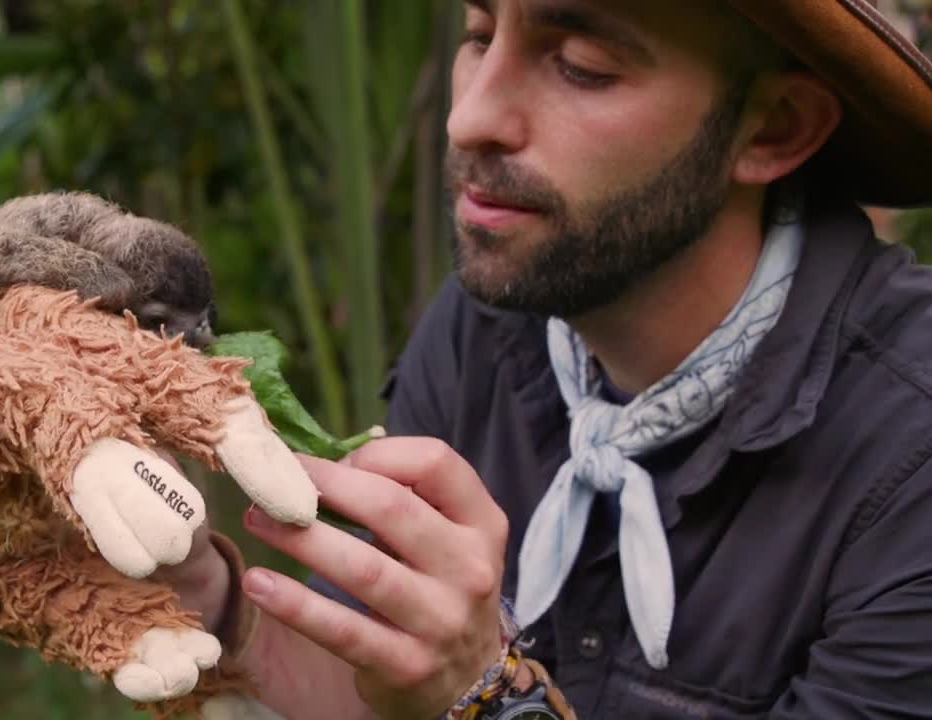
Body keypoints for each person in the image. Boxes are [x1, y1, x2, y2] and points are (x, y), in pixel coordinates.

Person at [156, 1, 932, 717]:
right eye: (479, 35)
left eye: (582, 65)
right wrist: (210, 597)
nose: (471, 117)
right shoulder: (485, 325)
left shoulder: (908, 455)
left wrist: (489, 694)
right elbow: (379, 692)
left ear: (774, 129)